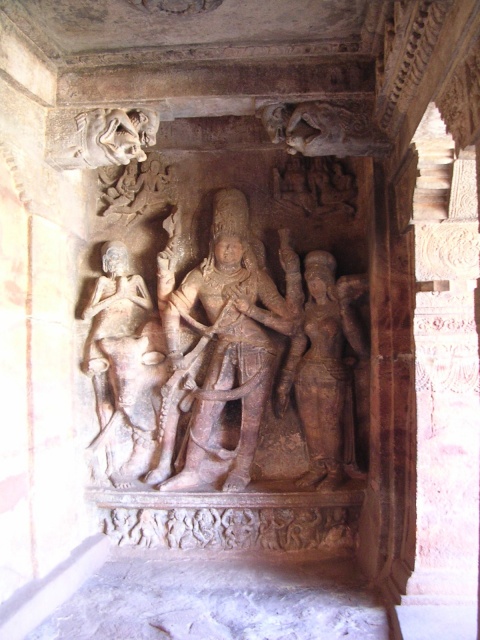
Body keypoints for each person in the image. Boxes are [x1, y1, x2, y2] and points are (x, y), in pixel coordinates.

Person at [156, 188, 294, 492]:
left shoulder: (256, 278)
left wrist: (251, 310)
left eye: (235, 244)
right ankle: (191, 469)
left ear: (245, 247)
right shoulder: (201, 276)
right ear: (212, 245)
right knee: (206, 406)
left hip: (258, 350)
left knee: (251, 415)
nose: (229, 250)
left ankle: (242, 471)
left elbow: (289, 323)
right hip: (223, 348)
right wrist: (174, 352)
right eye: (224, 244)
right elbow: (172, 309)